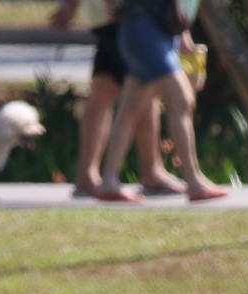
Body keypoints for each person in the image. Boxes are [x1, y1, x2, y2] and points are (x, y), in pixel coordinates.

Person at [93, 0, 227, 203]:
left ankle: (109, 181)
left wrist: (182, 34)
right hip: (145, 31)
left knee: (130, 109)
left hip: (152, 30)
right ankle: (194, 181)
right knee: (182, 100)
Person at [50, 0, 186, 197]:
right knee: (144, 90)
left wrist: (71, 4)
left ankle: (87, 174)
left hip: (106, 17)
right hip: (122, 14)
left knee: (103, 90)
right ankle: (150, 171)